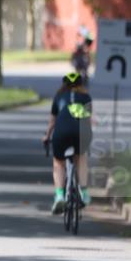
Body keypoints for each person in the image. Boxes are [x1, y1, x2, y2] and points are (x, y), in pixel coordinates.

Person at [43, 72, 93, 214]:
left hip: (62, 133)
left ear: (64, 84)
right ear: (80, 84)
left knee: (58, 162)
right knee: (81, 158)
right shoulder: (86, 97)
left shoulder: (58, 97)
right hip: (80, 133)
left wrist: (47, 136)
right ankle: (84, 193)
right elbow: (87, 120)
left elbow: (52, 121)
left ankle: (59, 195)